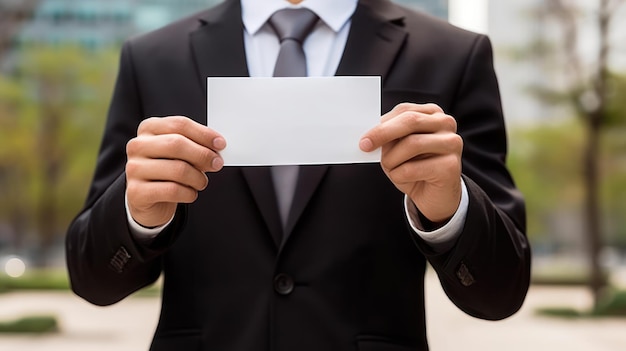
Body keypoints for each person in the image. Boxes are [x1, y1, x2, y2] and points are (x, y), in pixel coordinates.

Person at [66, 0, 531, 350]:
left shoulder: (452, 54)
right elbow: (93, 279)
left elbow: (500, 293)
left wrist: (451, 211)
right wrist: (138, 215)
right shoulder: (152, 58)